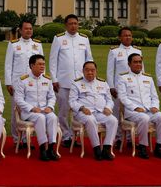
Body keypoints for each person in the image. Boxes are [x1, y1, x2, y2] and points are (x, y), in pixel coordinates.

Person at [49, 14, 92, 147]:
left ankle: (76, 136)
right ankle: (66, 136)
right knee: (63, 111)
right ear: (66, 25)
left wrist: (90, 75)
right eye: (71, 24)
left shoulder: (84, 39)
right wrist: (54, 79)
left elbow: (89, 58)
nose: (73, 26)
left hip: (80, 82)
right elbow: (53, 60)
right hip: (63, 81)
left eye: (75, 23)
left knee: (79, 110)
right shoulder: (59, 38)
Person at [116, 53, 161, 159]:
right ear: (129, 64)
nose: (138, 64)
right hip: (132, 112)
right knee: (144, 118)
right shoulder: (123, 78)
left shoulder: (148, 78)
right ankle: (143, 147)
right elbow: (122, 97)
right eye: (135, 62)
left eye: (140, 62)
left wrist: (155, 107)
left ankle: (159, 147)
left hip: (148, 110)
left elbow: (154, 96)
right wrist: (135, 107)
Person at [4, 19, 43, 147]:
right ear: (20, 30)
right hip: (18, 83)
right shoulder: (14, 44)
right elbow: (8, 65)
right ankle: (16, 139)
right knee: (17, 110)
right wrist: (8, 82)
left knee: (31, 109)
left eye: (30, 28)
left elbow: (42, 64)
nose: (28, 31)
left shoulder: (37, 45)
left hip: (33, 83)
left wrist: (43, 81)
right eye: (26, 28)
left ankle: (27, 139)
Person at [14, 54, 59, 161]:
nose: (42, 66)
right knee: (40, 118)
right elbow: (18, 99)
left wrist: (50, 107)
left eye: (43, 64)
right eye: (39, 64)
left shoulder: (47, 80)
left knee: (53, 117)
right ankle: (43, 149)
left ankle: (51, 149)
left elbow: (52, 96)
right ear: (32, 65)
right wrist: (32, 108)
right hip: (29, 112)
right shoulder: (23, 80)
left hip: (44, 110)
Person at [69, 60, 117, 161]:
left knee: (113, 120)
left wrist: (108, 108)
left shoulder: (103, 83)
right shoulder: (76, 83)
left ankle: (107, 148)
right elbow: (72, 101)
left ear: (96, 71)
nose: (90, 72)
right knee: (91, 120)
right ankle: (96, 149)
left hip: (100, 112)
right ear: (83, 71)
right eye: (87, 70)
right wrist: (82, 108)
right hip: (83, 112)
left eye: (92, 70)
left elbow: (109, 100)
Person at [106, 27, 142, 121]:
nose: (128, 37)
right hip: (119, 86)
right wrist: (111, 87)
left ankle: (131, 134)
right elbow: (110, 71)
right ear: (120, 38)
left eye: (129, 35)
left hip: (134, 86)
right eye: (125, 35)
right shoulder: (114, 51)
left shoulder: (137, 51)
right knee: (117, 111)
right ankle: (117, 134)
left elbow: (142, 69)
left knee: (133, 109)